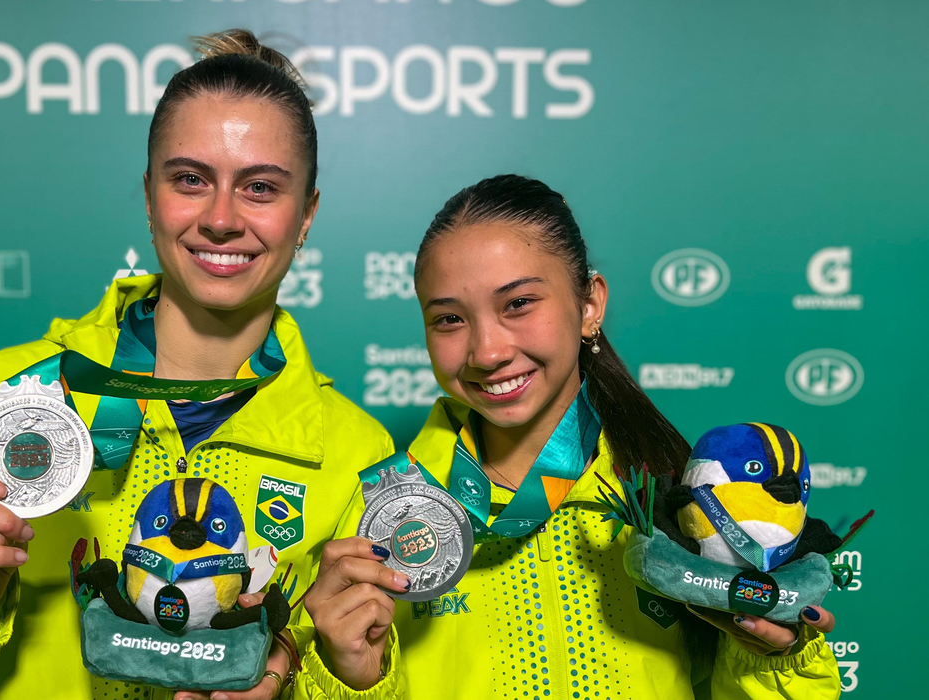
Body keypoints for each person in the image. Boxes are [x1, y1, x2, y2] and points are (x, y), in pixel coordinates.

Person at [0, 30, 393, 700]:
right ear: (149, 195)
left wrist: (298, 674)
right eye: (190, 180)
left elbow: (359, 665)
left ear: (306, 214)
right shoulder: (15, 393)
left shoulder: (356, 451)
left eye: (260, 187)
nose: (222, 219)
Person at [297, 175, 842, 699]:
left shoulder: (680, 500)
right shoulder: (386, 516)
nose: (487, 352)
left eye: (517, 303)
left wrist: (774, 661)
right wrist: (352, 680)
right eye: (449, 319)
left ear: (589, 305)